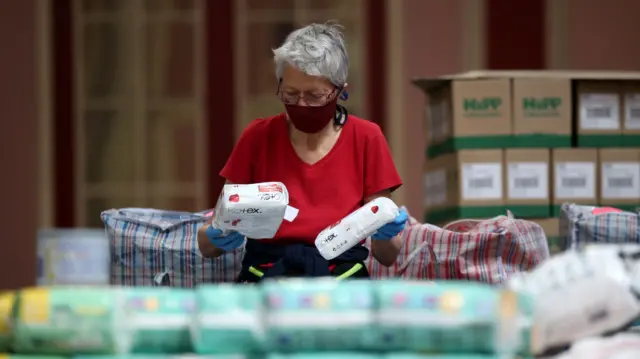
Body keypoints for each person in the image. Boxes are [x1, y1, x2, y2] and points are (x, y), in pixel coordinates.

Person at [197, 22, 407, 282]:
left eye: (315, 96)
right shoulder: (258, 137)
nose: (302, 104)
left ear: (341, 91)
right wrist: (216, 236)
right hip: (266, 277)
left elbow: (387, 255)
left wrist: (384, 233)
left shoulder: (366, 137)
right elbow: (208, 245)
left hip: (340, 282)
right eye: (290, 94)